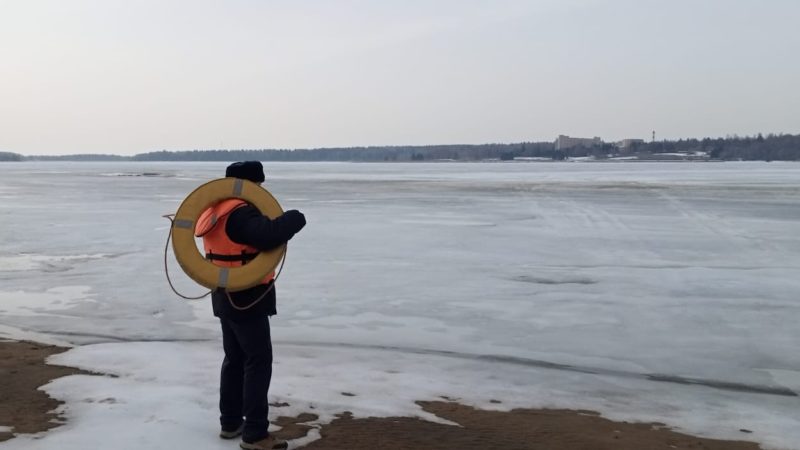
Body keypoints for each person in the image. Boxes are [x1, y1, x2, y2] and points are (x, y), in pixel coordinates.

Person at [194, 161, 306, 450]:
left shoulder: (215, 210)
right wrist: (295, 218)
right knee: (257, 361)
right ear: (252, 185)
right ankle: (255, 434)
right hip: (246, 296)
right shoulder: (241, 212)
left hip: (223, 293)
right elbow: (267, 235)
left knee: (234, 359)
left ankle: (230, 422)